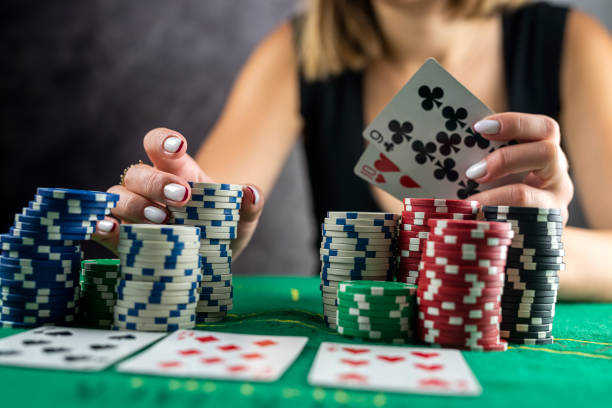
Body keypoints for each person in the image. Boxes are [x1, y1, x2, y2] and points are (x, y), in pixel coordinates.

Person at [93, 0, 612, 301]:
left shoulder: (572, 44)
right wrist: (182, 230)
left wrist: (539, 249)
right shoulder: (293, 55)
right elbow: (204, 219)